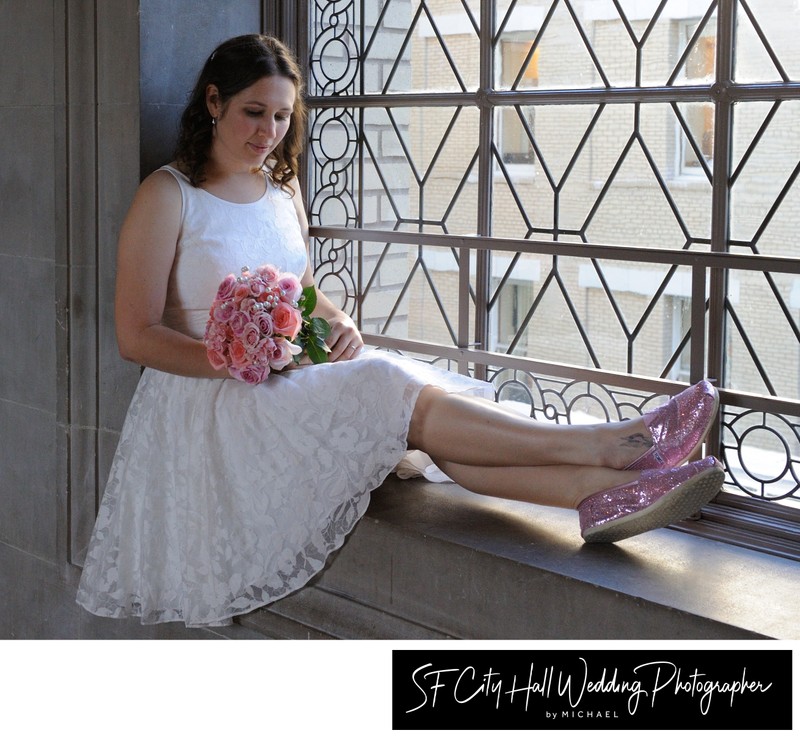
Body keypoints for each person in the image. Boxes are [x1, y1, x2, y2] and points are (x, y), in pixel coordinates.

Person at [76, 34, 724, 628]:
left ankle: (593, 494)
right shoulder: (169, 195)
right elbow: (137, 335)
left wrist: (339, 324)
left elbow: (295, 288)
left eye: (281, 116)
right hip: (214, 403)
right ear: (213, 101)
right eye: (254, 111)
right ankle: (613, 445)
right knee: (392, 386)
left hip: (290, 376)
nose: (269, 131)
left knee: (424, 412)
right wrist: (238, 360)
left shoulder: (281, 187)